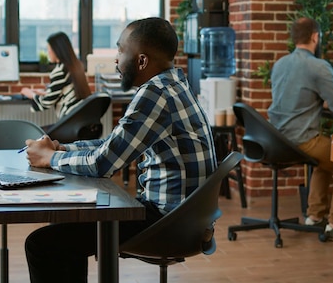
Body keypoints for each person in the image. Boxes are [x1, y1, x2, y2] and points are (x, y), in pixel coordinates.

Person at [23, 17, 217, 282]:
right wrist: (63, 148)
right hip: (185, 220)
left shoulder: (155, 94)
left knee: (42, 244)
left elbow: (103, 165)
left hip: (166, 223)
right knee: (64, 228)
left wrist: (50, 158)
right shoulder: (174, 84)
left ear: (141, 61)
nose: (116, 59)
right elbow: (114, 143)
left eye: (120, 50)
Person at [267, 17, 333, 239]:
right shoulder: (318, 66)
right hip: (302, 142)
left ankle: (315, 215)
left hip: (276, 141)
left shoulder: (280, 64)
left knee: (326, 161)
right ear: (316, 37)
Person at [21, 32, 91, 119]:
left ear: (57, 50)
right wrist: (46, 93)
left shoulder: (60, 71)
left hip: (70, 121)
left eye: (49, 49)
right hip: (82, 119)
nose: (48, 52)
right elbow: (67, 92)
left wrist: (31, 94)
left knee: (37, 131)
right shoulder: (76, 66)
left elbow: (47, 103)